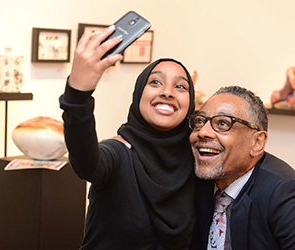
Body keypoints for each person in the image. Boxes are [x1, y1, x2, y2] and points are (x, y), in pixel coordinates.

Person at [59, 25, 196, 250]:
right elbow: (86, 164)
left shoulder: (196, 161)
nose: (168, 92)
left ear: (190, 103)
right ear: (138, 93)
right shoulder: (119, 152)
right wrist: (78, 95)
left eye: (180, 86)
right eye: (155, 82)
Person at [188, 85, 295, 250]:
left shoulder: (289, 196)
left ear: (257, 142)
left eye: (223, 123)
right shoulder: (196, 181)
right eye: (200, 121)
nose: (203, 132)